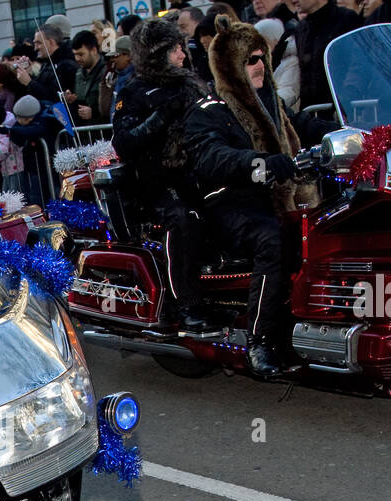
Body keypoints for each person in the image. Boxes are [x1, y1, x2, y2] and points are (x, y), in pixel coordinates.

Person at [185, 15, 338, 376]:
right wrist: (263, 163)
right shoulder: (210, 109)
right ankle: (260, 340)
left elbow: (307, 127)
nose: (258, 65)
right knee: (272, 239)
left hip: (281, 197)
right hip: (232, 202)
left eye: (261, 57)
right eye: (250, 59)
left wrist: (353, 132)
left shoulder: (274, 105)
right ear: (230, 65)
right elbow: (211, 157)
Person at [111, 16, 211, 331]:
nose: (183, 54)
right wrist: (163, 115)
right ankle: (185, 303)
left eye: (182, 46)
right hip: (156, 180)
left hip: (200, 172)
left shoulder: (192, 82)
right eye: (175, 48)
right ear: (157, 52)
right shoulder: (134, 90)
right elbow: (123, 142)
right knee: (183, 219)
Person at [293, 0, 364, 110]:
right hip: (311, 113)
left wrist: (346, 100)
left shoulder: (346, 19)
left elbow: (359, 64)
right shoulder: (301, 28)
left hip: (342, 112)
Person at [70, 30, 109, 124]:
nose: (77, 59)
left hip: (103, 128)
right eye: (75, 55)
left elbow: (112, 104)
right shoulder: (79, 74)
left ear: (94, 50)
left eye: (81, 54)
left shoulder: (107, 71)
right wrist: (71, 100)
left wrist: (94, 112)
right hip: (85, 131)